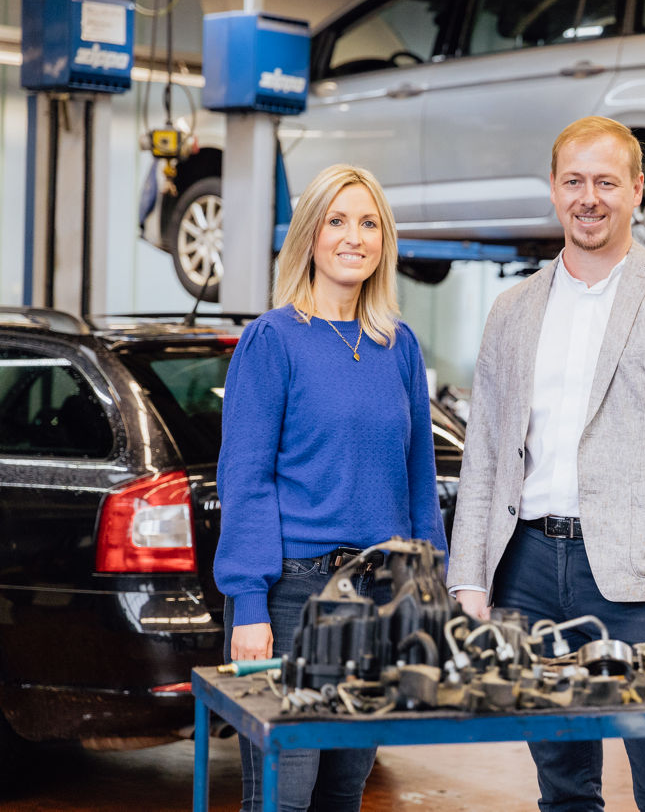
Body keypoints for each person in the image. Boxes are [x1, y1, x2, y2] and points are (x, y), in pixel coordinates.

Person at [447, 116, 645, 811]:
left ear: (637, 190)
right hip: (530, 574)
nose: (589, 198)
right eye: (574, 181)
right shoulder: (513, 310)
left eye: (606, 182)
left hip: (641, 583)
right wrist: (470, 575)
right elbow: (485, 451)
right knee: (563, 785)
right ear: (553, 190)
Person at [215, 164, 446, 812]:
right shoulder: (273, 340)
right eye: (338, 221)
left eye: (369, 223)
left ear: (385, 241)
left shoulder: (397, 346)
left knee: (345, 791)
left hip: (375, 597)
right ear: (311, 236)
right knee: (285, 794)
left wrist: (427, 594)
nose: (354, 237)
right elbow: (246, 480)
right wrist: (250, 604)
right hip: (293, 595)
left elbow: (418, 480)